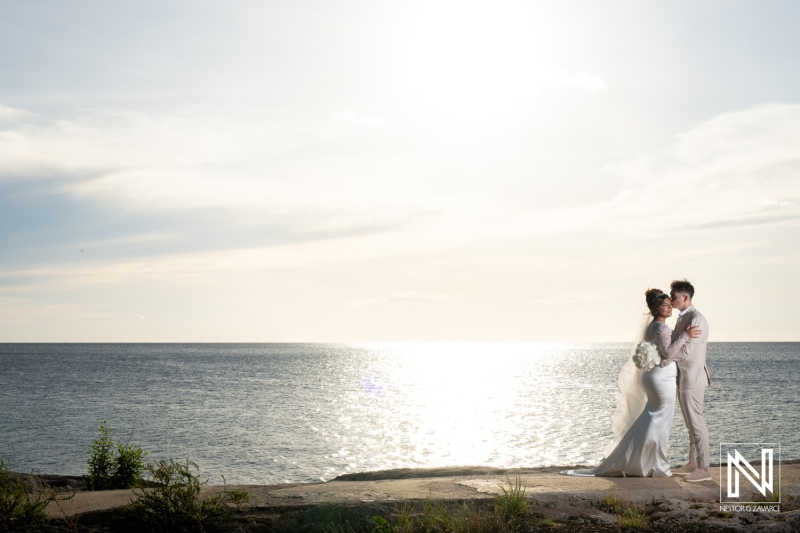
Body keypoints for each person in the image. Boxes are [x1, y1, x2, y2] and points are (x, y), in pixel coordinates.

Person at [562, 289, 700, 477]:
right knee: (659, 420)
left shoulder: (653, 327)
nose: (669, 308)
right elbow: (668, 353)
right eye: (665, 305)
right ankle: (654, 464)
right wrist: (685, 335)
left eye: (669, 304)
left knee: (652, 418)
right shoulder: (661, 327)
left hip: (656, 376)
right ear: (656, 309)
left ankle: (643, 462)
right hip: (662, 377)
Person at [660, 279, 711, 483]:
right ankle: (692, 464)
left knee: (697, 423)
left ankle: (704, 468)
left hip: (694, 378)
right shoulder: (683, 318)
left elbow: (687, 352)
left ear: (685, 297)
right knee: (691, 424)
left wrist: (665, 358)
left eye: (673, 296)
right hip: (683, 378)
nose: (671, 300)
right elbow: (677, 343)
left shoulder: (696, 319)